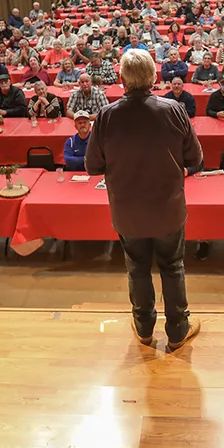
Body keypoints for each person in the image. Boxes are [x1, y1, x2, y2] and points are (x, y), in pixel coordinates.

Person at [84, 48, 203, 351]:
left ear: (122, 78)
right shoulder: (174, 109)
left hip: (128, 212)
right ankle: (177, 330)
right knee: (172, 266)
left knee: (137, 267)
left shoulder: (107, 116)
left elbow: (92, 166)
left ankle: (144, 327)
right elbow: (195, 158)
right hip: (168, 208)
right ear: (153, 76)